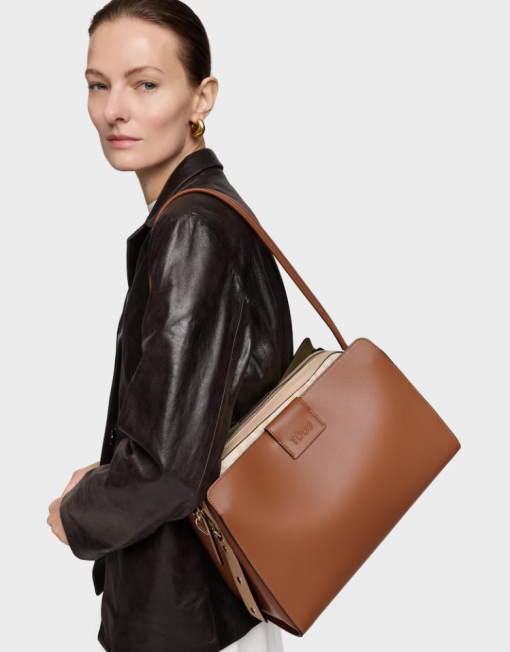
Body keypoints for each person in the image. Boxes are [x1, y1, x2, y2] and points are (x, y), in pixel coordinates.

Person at [46, 1, 294, 651]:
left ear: (201, 98)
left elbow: (167, 469)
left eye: (146, 84)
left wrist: (78, 513)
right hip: (215, 603)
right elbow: (190, 426)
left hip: (186, 619)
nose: (113, 110)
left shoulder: (193, 229)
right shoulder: (201, 212)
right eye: (97, 85)